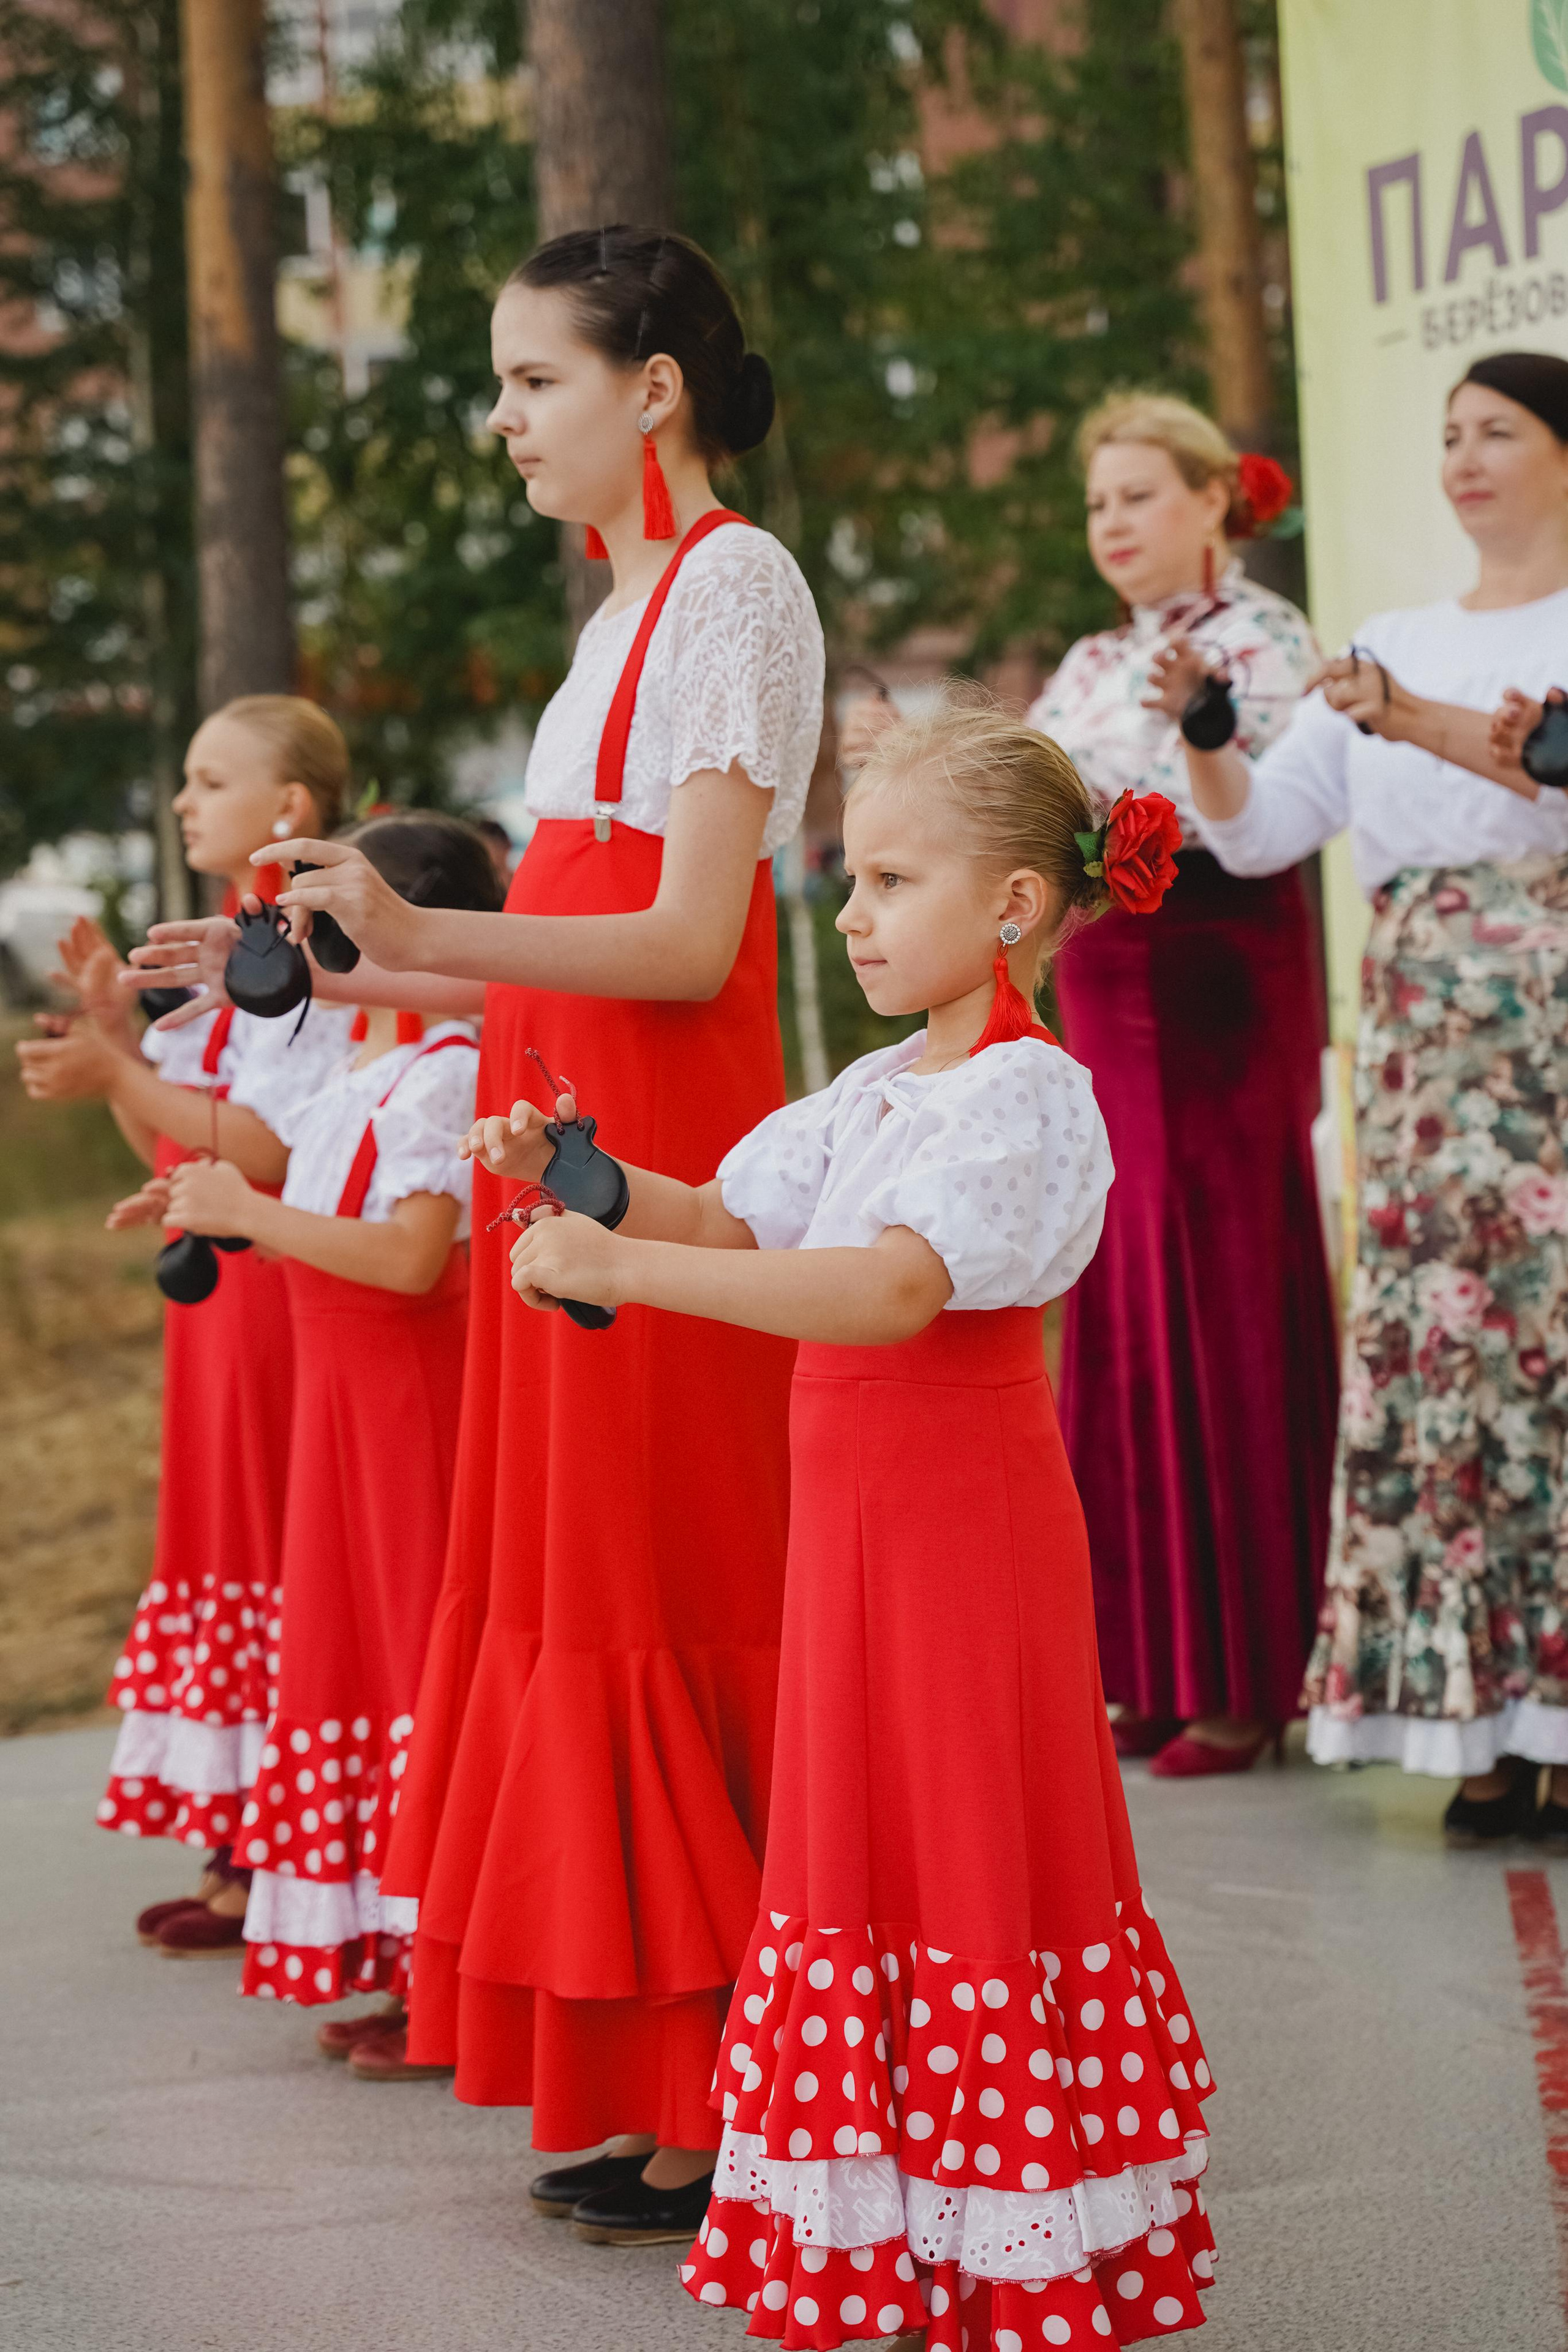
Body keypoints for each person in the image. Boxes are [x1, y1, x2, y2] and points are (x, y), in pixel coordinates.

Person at [178, 228, 826, 2231]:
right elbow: (561, 975)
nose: (502, 417)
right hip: (566, 1134)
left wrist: (426, 925)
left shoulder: (733, 586)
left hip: (654, 1161)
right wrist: (340, 975)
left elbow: (695, 947)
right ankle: (658, 2078)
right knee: (581, 1585)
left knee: (664, 1578)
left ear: (653, 386)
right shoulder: (622, 607)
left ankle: (735, 2093)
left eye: (533, 378)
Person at [484, 696, 1216, 2345]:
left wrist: (625, 1275)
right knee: (861, 1843)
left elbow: (891, 1291)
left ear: (1013, 908)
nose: (855, 913)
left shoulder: (1021, 1100)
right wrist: (581, 1178)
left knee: (964, 1836)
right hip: (860, 1550)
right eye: (852, 879)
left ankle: (1011, 2246)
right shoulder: (887, 1084)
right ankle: (897, 2225)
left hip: (968, 1551)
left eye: (891, 881)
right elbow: (728, 1209)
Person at [1149, 349, 1568, 1847]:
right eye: (1447, 433)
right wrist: (1207, 737)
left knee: (1549, 1360)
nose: (1460, 456)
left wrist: (1417, 723)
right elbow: (1263, 836)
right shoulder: (1387, 638)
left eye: (1496, 431)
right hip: (1413, 1045)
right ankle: (1476, 1729)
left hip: (1548, 1033)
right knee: (1434, 1363)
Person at [1017, 393, 1337, 1776]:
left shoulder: (1266, 642)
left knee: (1213, 1282)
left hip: (1215, 976)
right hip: (1103, 977)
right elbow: (1029, 797)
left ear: (1214, 499)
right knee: (1121, 1285)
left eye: (1139, 496)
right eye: (1097, 504)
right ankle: (1147, 1657)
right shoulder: (1088, 660)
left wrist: (1195, 729)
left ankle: (1246, 1674)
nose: (1113, 526)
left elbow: (1264, 812)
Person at [15, 698, 354, 1945]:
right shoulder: (221, 975)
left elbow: (265, 1146)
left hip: (274, 1289)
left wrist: (123, 1069)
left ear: (289, 810)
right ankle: (243, 1833)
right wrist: (117, 1050)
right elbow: (175, 1135)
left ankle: (279, 1850)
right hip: (213, 1295)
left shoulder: (309, 956)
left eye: (210, 779)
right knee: (225, 1541)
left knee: (275, 1543)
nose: (182, 801)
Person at [157, 815, 496, 2011]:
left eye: (319, 919)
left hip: (410, 1425)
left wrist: (250, 1213)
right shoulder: (364, 1071)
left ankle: (448, 1973)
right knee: (354, 1672)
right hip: (342, 1426)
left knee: (412, 1673)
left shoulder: (448, 1071)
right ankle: (394, 1954)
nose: (293, 942)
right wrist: (221, 1204)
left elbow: (408, 1260)